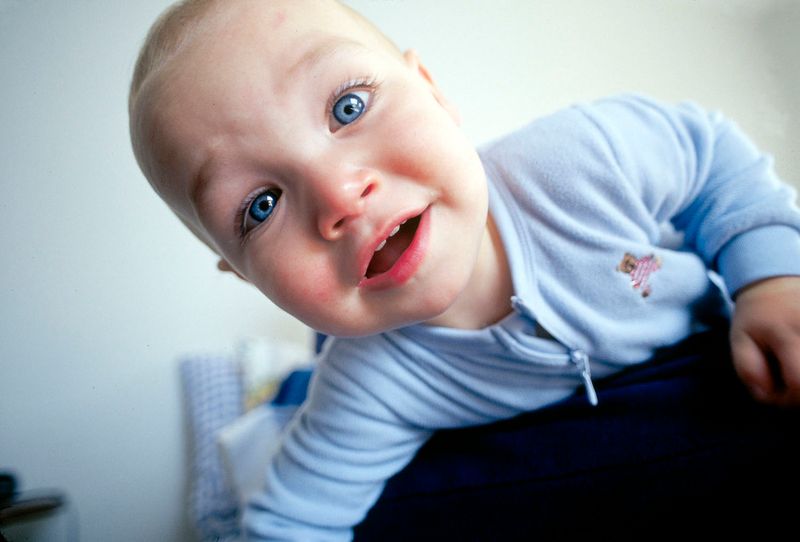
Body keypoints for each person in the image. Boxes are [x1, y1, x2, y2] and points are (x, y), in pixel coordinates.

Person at [128, 0, 800, 539]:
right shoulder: (368, 386)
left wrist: (768, 280)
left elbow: (713, 160)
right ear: (246, 275)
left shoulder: (581, 162)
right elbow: (291, 519)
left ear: (433, 92)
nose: (338, 196)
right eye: (261, 205)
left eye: (348, 107)